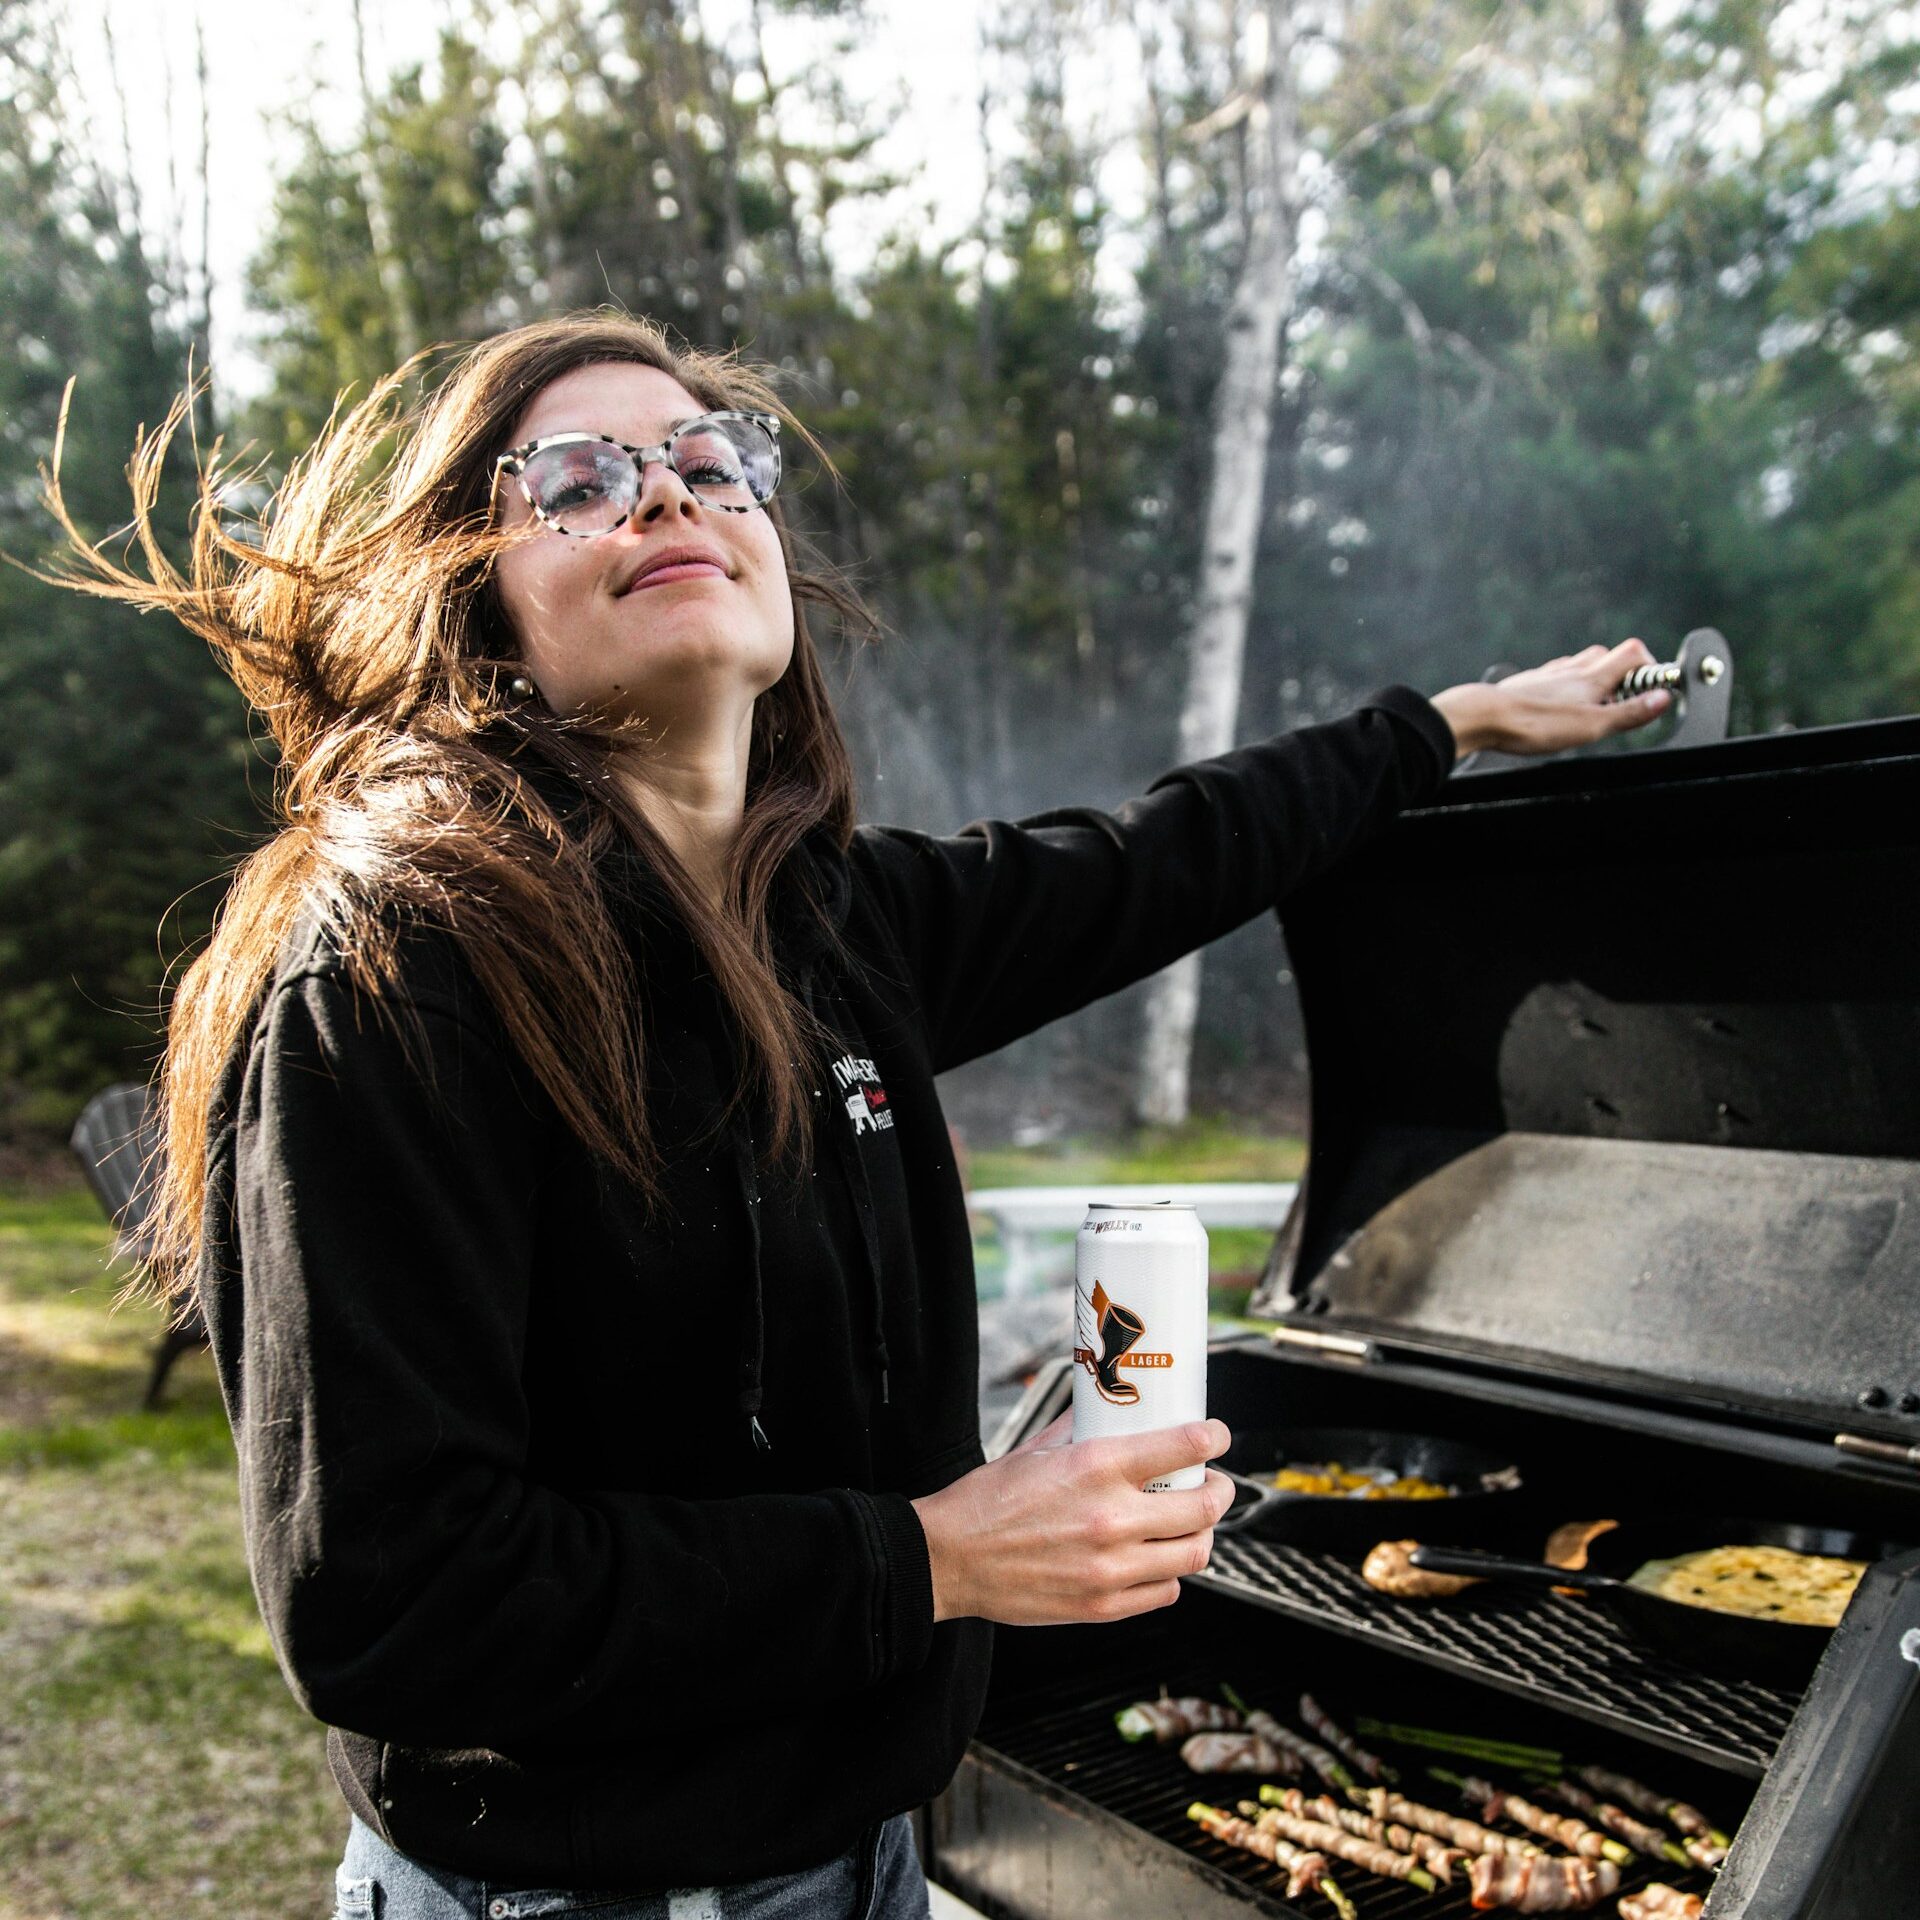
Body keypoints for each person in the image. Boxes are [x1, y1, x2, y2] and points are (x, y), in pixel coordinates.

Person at [45, 312, 1670, 1920]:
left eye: (704, 462)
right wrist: (938, 1559)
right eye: (581, 481)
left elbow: (1172, 850)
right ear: (474, 598)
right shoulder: (404, 973)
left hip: (864, 1862)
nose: (670, 496)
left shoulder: (834, 928)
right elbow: (390, 1599)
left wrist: (1450, 727)